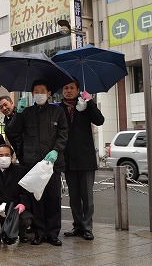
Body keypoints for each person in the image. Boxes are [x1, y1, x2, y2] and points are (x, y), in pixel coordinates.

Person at [16, 79, 68, 246]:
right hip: (32, 163)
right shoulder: (26, 112)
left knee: (53, 199)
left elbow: (63, 133)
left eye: (42, 91)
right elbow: (13, 132)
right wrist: (18, 113)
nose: (39, 94)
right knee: (37, 200)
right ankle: (39, 233)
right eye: (36, 91)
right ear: (32, 94)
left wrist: (56, 150)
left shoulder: (57, 112)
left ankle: (53, 233)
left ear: (49, 93)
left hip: (52, 164)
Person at [60, 79, 104, 241]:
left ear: (78, 89)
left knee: (87, 197)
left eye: (72, 87)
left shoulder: (85, 105)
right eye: (65, 87)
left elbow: (100, 121)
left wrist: (90, 102)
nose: (68, 90)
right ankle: (77, 226)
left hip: (85, 159)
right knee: (74, 196)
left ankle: (87, 227)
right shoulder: (59, 108)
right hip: (69, 160)